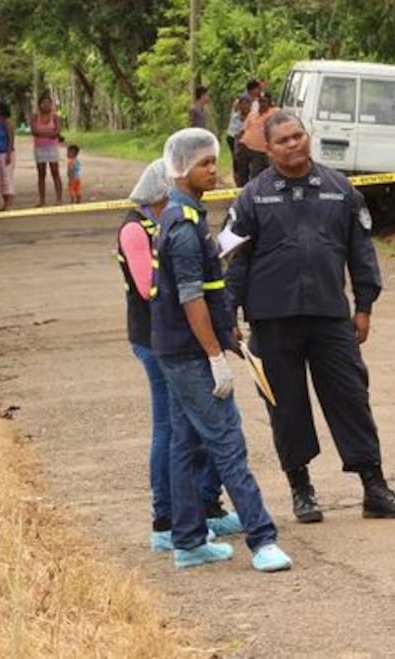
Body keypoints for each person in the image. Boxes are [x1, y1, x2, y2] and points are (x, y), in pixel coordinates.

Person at [225, 111, 395, 523]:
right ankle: (301, 489)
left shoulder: (339, 189)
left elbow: (361, 251)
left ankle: (374, 486)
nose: (294, 144)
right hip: (272, 319)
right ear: (269, 149)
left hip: (330, 316)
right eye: (284, 140)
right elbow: (235, 261)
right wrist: (229, 314)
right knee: (286, 405)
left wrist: (364, 305)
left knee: (351, 397)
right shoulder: (252, 198)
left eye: (299, 136)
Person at [151, 127, 291, 573]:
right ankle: (262, 539)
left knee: (185, 444)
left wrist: (227, 340)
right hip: (190, 354)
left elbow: (205, 294)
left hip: (177, 349)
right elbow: (191, 300)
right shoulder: (184, 230)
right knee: (228, 443)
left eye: (214, 162)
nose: (213, 170)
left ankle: (188, 540)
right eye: (204, 164)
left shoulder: (181, 217)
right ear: (180, 169)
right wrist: (214, 357)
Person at [119, 158, 243, 553]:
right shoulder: (136, 228)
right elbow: (147, 287)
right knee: (171, 431)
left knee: (191, 431)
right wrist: (187, 265)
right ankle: (167, 520)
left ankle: (202, 510)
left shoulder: (167, 223)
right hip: (157, 340)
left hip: (177, 337)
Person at [30, 93, 63, 206]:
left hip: (52, 148)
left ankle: (59, 198)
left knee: (55, 172)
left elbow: (57, 132)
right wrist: (49, 133)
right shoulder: (35, 117)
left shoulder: (55, 117)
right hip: (39, 148)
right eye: (43, 103)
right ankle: (42, 199)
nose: (46, 105)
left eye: (48, 103)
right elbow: (34, 132)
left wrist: (43, 133)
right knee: (41, 174)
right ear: (39, 105)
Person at [239, 93, 275, 182]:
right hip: (247, 146)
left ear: (269, 103)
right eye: (260, 101)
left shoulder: (274, 112)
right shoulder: (252, 114)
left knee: (258, 173)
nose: (262, 104)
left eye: (264, 101)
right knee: (244, 172)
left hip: (262, 150)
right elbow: (243, 130)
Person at [0, 101, 16, 211]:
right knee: (0, 177)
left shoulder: (7, 123)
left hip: (6, 152)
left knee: (7, 177)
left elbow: (11, 139)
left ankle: (9, 201)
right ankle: (4, 200)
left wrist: (9, 153)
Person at [228, 95, 253, 186]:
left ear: (250, 105)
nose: (244, 106)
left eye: (246, 103)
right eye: (242, 103)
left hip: (253, 147)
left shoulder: (255, 116)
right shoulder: (235, 117)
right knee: (240, 170)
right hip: (240, 147)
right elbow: (236, 133)